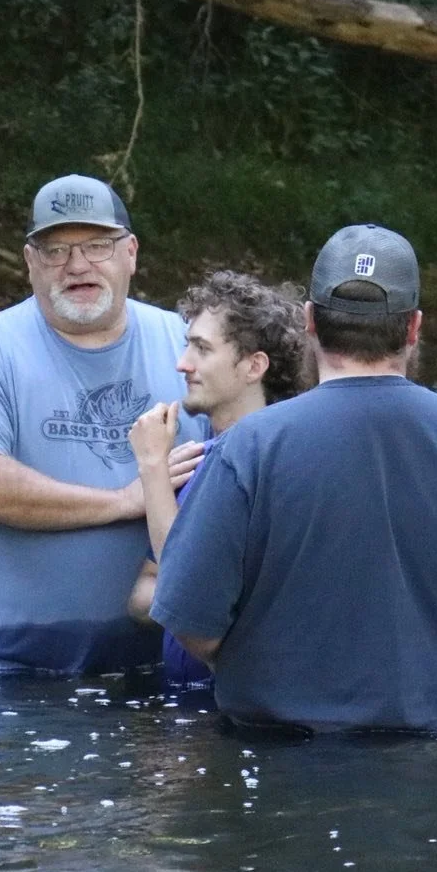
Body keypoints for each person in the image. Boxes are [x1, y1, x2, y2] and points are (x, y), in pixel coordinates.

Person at [150, 224, 437, 733]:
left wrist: (266, 669)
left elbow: (191, 621)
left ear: (309, 322)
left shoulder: (248, 449)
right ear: (413, 328)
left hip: (285, 759)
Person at [0, 174, 209, 674]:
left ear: (131, 254)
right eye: (55, 250)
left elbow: (251, 459)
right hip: (17, 665)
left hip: (169, 661)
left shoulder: (190, 347)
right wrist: (125, 501)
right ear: (30, 262)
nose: (77, 265)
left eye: (98, 245)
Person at [124, 271, 312, 689]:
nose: (182, 363)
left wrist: (153, 469)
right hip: (188, 707)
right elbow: (145, 593)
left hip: (233, 713)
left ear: (253, 366)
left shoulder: (272, 464)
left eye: (202, 349)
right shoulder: (198, 459)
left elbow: (185, 586)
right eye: (187, 344)